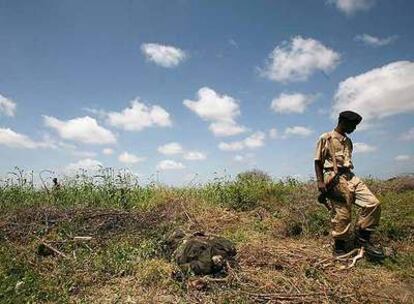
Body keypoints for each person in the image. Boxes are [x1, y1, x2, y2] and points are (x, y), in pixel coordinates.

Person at [314, 111, 384, 259]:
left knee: (373, 203)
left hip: (350, 176)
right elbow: (318, 161)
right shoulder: (326, 138)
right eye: (353, 125)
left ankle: (363, 239)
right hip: (334, 177)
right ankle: (339, 248)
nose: (354, 128)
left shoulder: (348, 141)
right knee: (342, 214)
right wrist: (320, 182)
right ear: (343, 122)